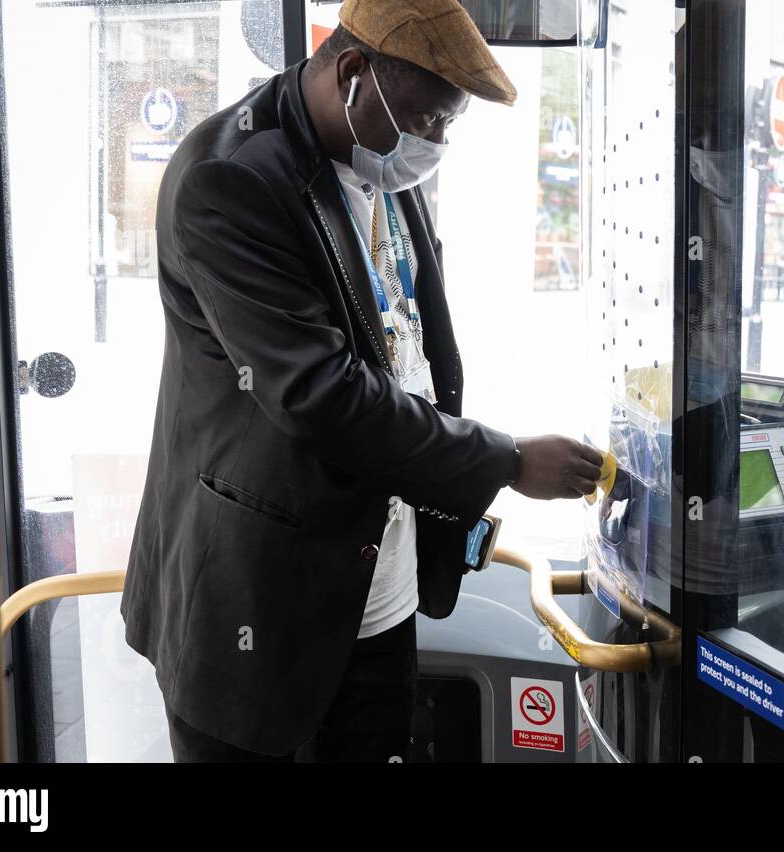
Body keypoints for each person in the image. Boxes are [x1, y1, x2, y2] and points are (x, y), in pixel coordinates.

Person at [120, 0, 603, 762]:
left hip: (379, 592)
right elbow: (323, 394)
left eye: (446, 125)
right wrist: (505, 461)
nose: (433, 143)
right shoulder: (232, 181)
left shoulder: (376, 155)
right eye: (427, 120)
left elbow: (408, 347)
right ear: (353, 73)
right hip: (259, 606)